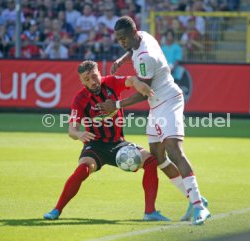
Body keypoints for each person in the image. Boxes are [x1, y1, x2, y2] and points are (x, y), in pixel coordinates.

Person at [98, 16, 211, 225]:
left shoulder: (145, 58)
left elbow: (144, 92)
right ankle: (194, 197)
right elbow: (133, 49)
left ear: (132, 33)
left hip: (168, 100)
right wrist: (123, 60)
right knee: (157, 157)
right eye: (118, 39)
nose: (121, 42)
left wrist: (115, 106)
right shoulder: (143, 36)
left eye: (123, 38)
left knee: (174, 151)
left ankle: (199, 207)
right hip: (156, 105)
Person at [43, 60, 170, 221]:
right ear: (81, 81)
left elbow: (130, 80)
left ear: (99, 74)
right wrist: (79, 134)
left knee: (151, 161)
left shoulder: (111, 82)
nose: (92, 81)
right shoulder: (80, 99)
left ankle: (150, 212)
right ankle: (56, 210)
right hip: (95, 146)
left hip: (118, 143)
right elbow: (71, 130)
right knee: (83, 168)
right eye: (87, 79)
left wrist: (138, 84)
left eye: (94, 76)